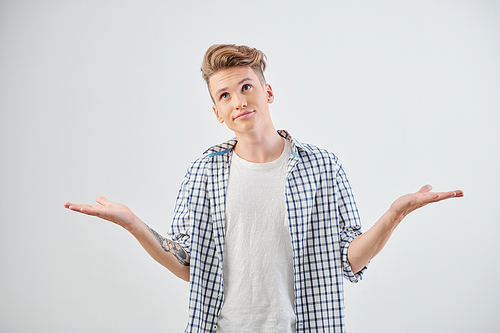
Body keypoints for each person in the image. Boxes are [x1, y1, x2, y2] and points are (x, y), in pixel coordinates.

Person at [64, 44, 463, 333]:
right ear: (217, 112)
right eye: (225, 95)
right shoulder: (203, 173)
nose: (238, 100)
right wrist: (132, 223)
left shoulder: (322, 167)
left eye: (246, 87)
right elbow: (190, 266)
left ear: (267, 92)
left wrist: (394, 215)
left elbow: (348, 260)